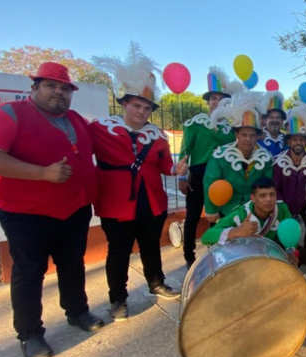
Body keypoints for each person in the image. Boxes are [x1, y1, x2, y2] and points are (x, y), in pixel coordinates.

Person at [0, 62, 103, 357]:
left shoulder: (76, 120)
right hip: (26, 213)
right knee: (30, 272)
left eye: (65, 88)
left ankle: (77, 312)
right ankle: (30, 334)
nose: (59, 92)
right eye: (50, 85)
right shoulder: (8, 114)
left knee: (72, 264)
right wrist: (42, 173)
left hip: (74, 208)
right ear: (34, 88)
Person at [90, 47, 185, 322]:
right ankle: (118, 299)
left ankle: (156, 283)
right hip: (116, 203)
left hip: (151, 201)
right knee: (118, 251)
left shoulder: (159, 136)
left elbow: (165, 166)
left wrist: (176, 169)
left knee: (151, 245)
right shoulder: (99, 127)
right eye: (136, 105)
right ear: (124, 104)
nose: (142, 111)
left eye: (146, 107)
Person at [178, 67, 243, 268]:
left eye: (222, 99)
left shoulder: (233, 128)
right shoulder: (195, 124)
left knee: (219, 215)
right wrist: (181, 178)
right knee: (193, 216)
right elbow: (184, 152)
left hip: (223, 176)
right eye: (214, 98)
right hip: (198, 175)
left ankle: (218, 252)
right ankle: (189, 256)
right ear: (208, 101)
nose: (217, 102)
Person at [273, 104, 306, 266]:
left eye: (301, 139)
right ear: (289, 141)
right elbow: (276, 188)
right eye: (295, 139)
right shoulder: (278, 162)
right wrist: (283, 211)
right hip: (285, 207)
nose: (298, 143)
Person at [203, 100, 273, 219]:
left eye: (252, 135)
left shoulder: (265, 157)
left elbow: (268, 185)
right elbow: (210, 183)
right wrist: (211, 210)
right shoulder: (220, 156)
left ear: (257, 137)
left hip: (255, 211)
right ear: (236, 135)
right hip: (227, 211)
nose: (248, 139)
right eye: (244, 135)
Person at [201, 178, 296, 265]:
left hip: (271, 258)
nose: (269, 199)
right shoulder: (241, 214)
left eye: (272, 194)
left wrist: (290, 252)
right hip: (244, 260)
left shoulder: (282, 209)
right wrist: (236, 231)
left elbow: (291, 232)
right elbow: (206, 237)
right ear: (253, 198)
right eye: (262, 195)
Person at [258, 91, 287, 156]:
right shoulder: (258, 137)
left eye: (278, 117)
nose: (274, 120)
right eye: (271, 117)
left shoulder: (287, 140)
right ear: (265, 120)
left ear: (282, 122)